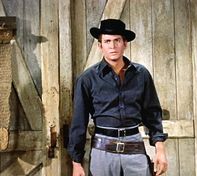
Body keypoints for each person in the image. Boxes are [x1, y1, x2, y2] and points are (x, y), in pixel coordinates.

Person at [67, 19, 168, 176]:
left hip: (135, 149)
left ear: (125, 43)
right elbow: (79, 123)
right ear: (100, 46)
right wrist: (76, 162)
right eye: (107, 41)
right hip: (103, 151)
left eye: (117, 41)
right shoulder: (87, 79)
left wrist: (160, 150)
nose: (112, 46)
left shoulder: (141, 75)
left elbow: (152, 114)